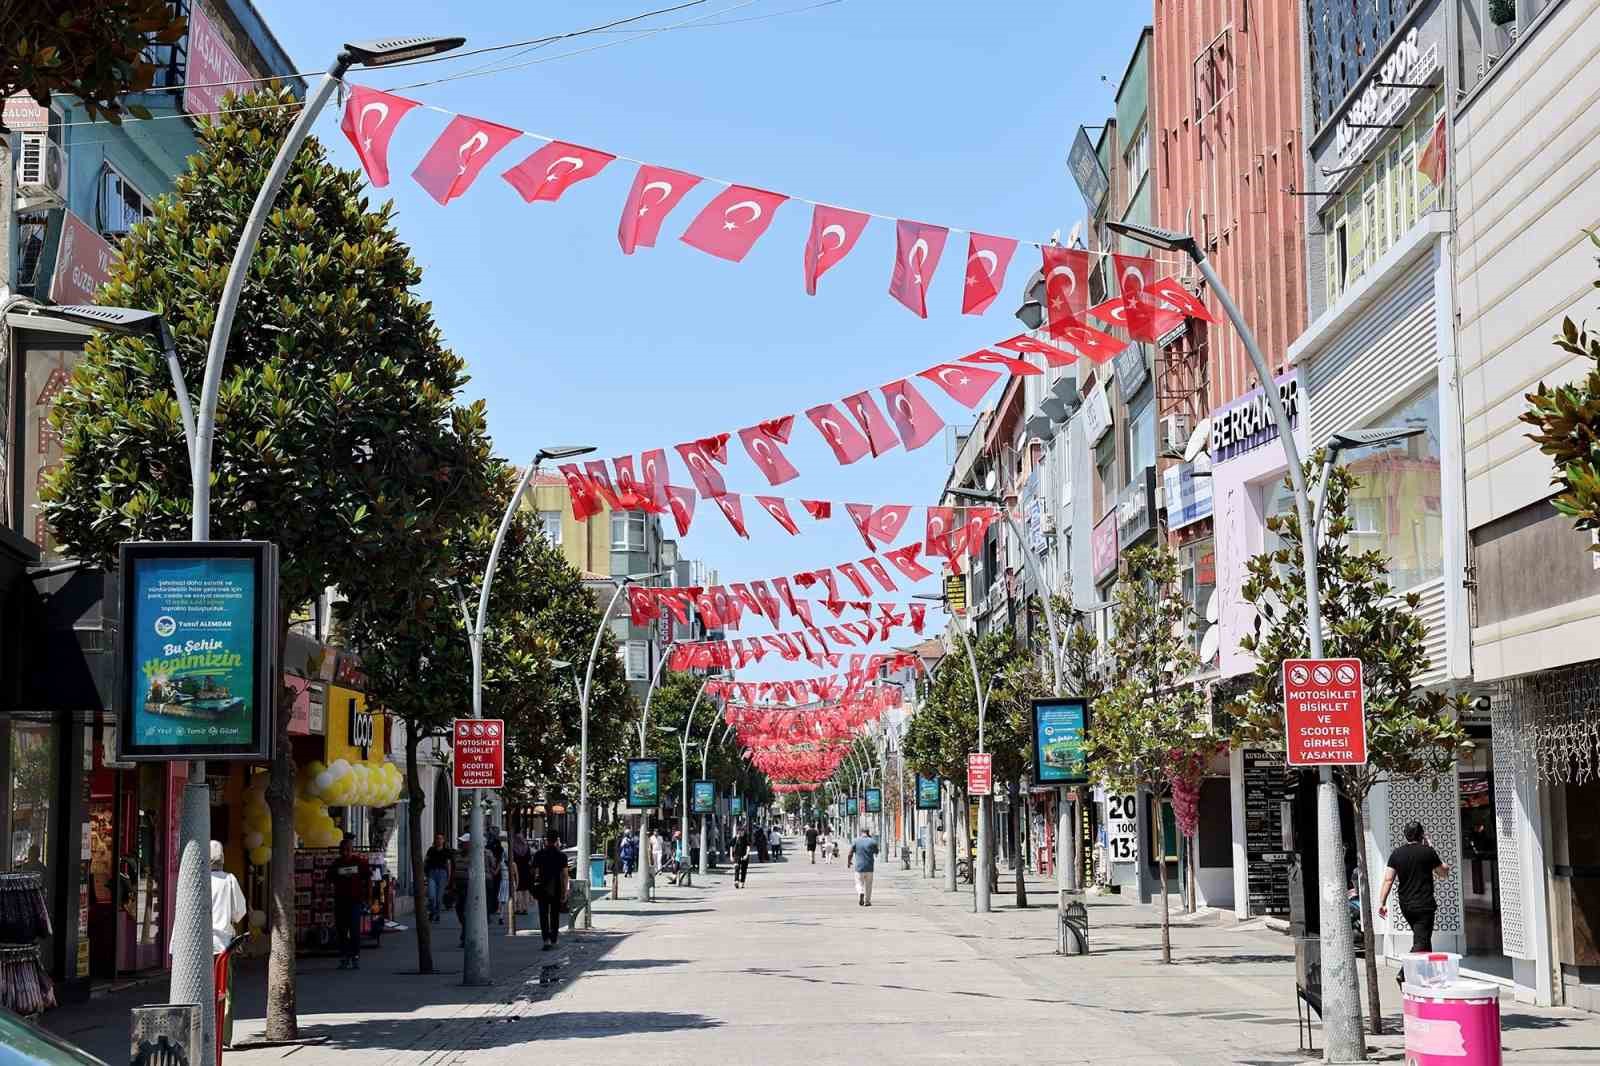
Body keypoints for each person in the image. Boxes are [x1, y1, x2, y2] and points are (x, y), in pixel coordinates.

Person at [1378, 820, 1452, 967]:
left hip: (1406, 905)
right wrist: (1431, 847)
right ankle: (1404, 972)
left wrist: (1382, 903)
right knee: (1422, 941)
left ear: (1406, 835)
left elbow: (1388, 879)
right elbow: (1443, 872)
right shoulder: (1428, 852)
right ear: (1422, 835)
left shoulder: (1396, 854)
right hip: (1424, 905)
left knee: (1423, 938)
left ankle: (1427, 974)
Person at [209, 841, 247, 1048]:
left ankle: (205, 1033)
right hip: (222, 945)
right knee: (225, 990)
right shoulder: (229, 880)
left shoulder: (197, 878)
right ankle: (223, 1037)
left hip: (200, 945)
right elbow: (240, 912)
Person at [327, 835, 371, 969]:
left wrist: (368, 897)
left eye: (348, 850)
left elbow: (368, 879)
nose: (345, 852)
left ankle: (355, 956)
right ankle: (344, 957)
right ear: (340, 851)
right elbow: (329, 879)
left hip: (355, 901)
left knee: (354, 930)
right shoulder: (336, 864)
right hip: (340, 901)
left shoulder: (359, 862)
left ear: (352, 850)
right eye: (343, 850)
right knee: (341, 930)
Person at [531, 829, 569, 950]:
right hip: (556, 888)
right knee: (554, 915)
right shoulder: (561, 856)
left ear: (546, 840)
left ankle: (546, 940)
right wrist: (565, 891)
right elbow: (564, 875)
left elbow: (535, 873)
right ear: (557, 840)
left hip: (542, 888)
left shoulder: (538, 855)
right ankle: (554, 939)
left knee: (543, 914)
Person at [423, 833, 454, 923]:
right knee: (431, 896)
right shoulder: (431, 850)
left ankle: (437, 914)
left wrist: (448, 876)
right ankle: (433, 912)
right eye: (437, 838)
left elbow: (449, 864)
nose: (439, 840)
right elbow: (425, 861)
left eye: (440, 838)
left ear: (443, 840)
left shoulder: (446, 851)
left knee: (439, 898)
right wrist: (424, 873)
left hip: (442, 874)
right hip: (432, 873)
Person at [848, 825, 879, 907]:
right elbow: (876, 851)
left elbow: (850, 853)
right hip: (869, 867)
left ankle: (861, 892)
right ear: (868, 833)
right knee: (869, 885)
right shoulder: (872, 841)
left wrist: (849, 862)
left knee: (858, 883)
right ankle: (867, 901)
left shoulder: (856, 841)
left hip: (859, 867)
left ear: (861, 832)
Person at [452, 835, 472, 945]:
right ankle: (465, 929)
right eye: (461, 842)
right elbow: (454, 868)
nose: (462, 844)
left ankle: (466, 934)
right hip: (459, 886)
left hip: (468, 886)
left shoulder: (475, 855)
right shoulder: (458, 854)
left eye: (464, 842)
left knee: (466, 911)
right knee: (459, 909)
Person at [485, 826, 505, 924]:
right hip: (490, 869)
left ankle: (493, 907)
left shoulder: (497, 844)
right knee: (492, 890)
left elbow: (500, 858)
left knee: (495, 889)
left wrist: (496, 870)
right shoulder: (488, 843)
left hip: (494, 869)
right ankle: (492, 907)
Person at [511, 833, 533, 915]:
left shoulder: (514, 848)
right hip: (526, 870)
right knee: (526, 890)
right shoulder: (526, 847)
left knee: (518, 889)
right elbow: (530, 859)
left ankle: (519, 908)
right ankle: (525, 908)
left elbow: (512, 859)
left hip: (517, 870)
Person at [730, 823, 752, 888]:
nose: (741, 833)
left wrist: (746, 855)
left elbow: (748, 846)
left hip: (744, 856)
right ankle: (736, 881)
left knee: (743, 869)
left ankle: (742, 882)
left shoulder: (746, 837)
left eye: (742, 831)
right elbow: (731, 846)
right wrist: (731, 856)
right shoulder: (735, 838)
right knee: (737, 868)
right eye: (739, 831)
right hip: (737, 855)